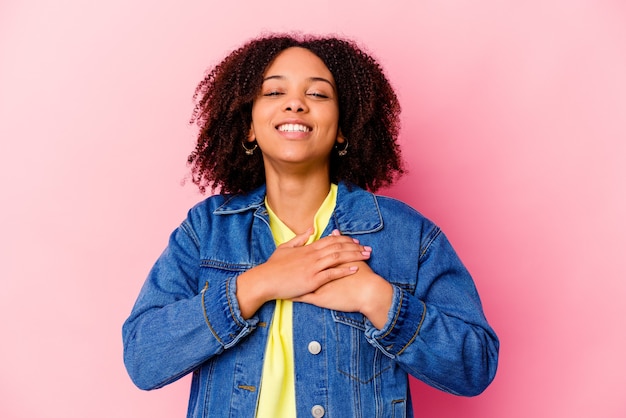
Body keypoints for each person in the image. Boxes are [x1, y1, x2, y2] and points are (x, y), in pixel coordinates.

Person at [122, 34, 499, 418]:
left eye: (317, 95)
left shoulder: (405, 234)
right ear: (249, 126)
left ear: (342, 129)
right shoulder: (207, 229)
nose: (295, 103)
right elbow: (143, 357)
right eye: (273, 93)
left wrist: (378, 299)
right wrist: (258, 284)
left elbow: (476, 366)